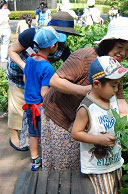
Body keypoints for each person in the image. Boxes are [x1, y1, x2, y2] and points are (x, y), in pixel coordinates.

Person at [41, 16, 128, 171]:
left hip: (80, 118)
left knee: (79, 162)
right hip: (59, 113)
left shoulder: (115, 67)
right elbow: (55, 81)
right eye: (120, 47)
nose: (123, 53)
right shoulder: (84, 56)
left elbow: (120, 101)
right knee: (63, 166)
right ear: (109, 43)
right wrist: (83, 90)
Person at [71, 56, 128, 193]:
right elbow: (76, 132)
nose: (116, 89)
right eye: (114, 85)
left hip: (114, 161)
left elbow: (117, 118)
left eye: (118, 85)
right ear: (97, 84)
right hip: (98, 167)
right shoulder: (86, 108)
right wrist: (99, 140)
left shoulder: (111, 98)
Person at [7, 11, 79, 151]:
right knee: (18, 104)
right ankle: (14, 137)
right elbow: (12, 51)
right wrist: (26, 68)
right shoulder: (31, 34)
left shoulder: (62, 47)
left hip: (39, 78)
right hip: (19, 72)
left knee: (32, 105)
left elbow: (70, 67)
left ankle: (32, 137)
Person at [23, 27, 67, 171]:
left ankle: (35, 160)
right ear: (52, 46)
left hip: (29, 105)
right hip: (41, 107)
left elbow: (25, 78)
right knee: (46, 133)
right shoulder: (47, 67)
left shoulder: (29, 60)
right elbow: (44, 92)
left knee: (33, 133)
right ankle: (49, 159)